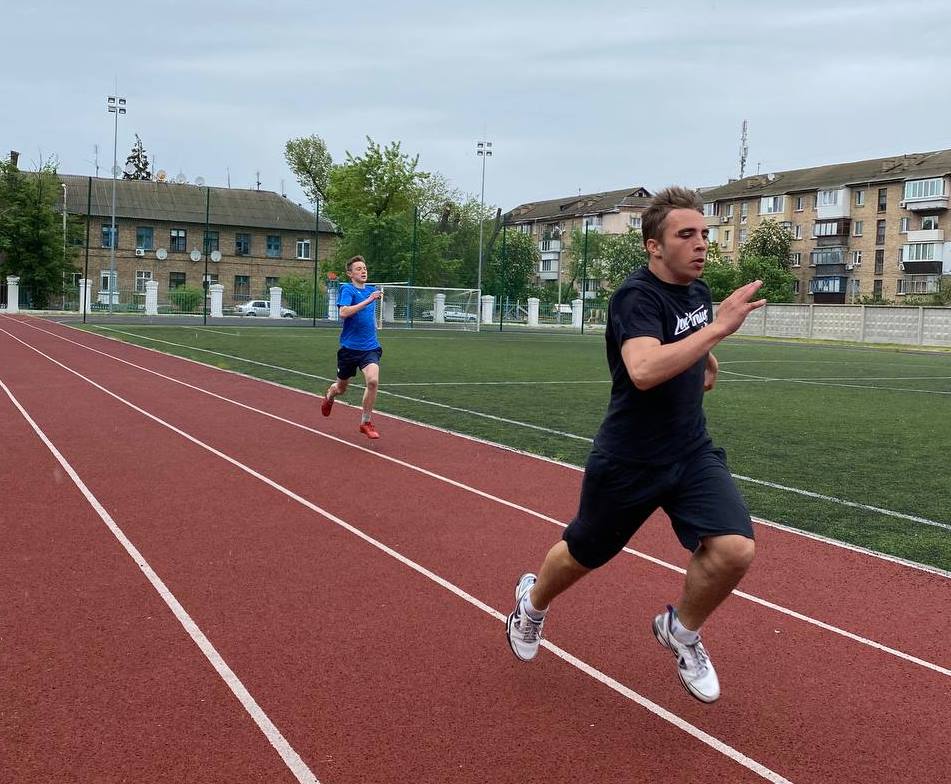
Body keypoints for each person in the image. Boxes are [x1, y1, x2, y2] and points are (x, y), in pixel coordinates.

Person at [506, 187, 766, 703]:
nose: (700, 244)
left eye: (704, 234)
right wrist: (717, 332)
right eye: (686, 235)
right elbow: (643, 369)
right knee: (583, 554)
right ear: (654, 246)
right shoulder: (635, 297)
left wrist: (707, 359)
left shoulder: (698, 291)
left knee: (735, 549)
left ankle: (681, 631)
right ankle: (531, 604)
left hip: (690, 451)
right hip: (629, 458)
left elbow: (686, 337)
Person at [320, 255, 383, 439]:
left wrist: (373, 297)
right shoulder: (347, 289)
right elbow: (343, 312)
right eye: (358, 269)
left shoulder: (371, 290)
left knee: (373, 381)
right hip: (349, 349)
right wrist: (368, 300)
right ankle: (330, 395)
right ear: (350, 274)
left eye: (365, 268)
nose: (363, 271)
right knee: (341, 388)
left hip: (370, 348)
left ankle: (365, 422)